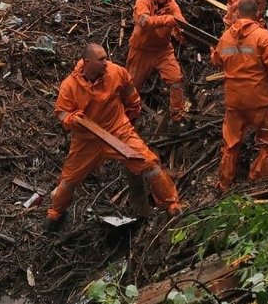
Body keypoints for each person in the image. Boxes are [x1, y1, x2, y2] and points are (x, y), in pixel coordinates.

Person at [48, 44, 184, 230]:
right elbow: (61, 113)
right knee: (69, 180)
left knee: (149, 164)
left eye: (106, 57)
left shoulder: (115, 72)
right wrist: (72, 120)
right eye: (101, 59)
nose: (106, 62)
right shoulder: (70, 86)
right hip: (87, 139)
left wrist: (132, 110)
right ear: (88, 63)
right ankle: (55, 213)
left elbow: (129, 90)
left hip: (118, 131)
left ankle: (171, 203)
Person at [212, 0, 268, 192]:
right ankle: (256, 182)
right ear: (257, 14)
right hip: (260, 100)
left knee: (230, 143)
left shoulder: (226, 37)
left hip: (234, 100)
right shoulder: (263, 36)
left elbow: (216, 60)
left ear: (237, 13)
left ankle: (224, 184)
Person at [126, 0, 189, 123]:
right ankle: (127, 114)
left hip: (163, 50)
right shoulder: (142, 0)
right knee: (132, 84)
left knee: (176, 80)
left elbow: (179, 20)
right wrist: (167, 20)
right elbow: (144, 22)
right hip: (141, 50)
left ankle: (177, 114)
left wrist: (182, 35)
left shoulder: (171, 4)